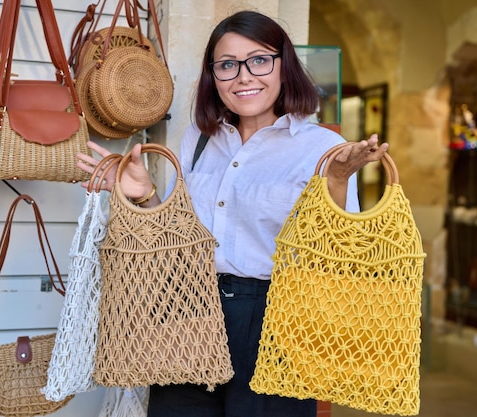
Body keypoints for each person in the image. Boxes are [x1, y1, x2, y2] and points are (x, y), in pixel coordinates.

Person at [77, 10, 388, 417]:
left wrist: (338, 181)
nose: (244, 76)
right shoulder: (200, 139)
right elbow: (177, 239)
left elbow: (337, 252)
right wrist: (145, 195)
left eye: (259, 60)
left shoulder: (318, 147)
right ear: (213, 76)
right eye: (227, 65)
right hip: (188, 310)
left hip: (274, 319)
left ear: (284, 66)